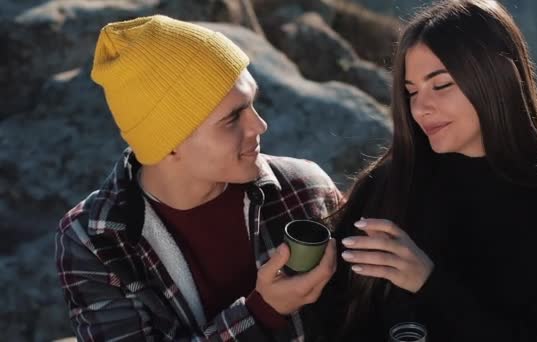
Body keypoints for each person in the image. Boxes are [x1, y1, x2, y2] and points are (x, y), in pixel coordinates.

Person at [316, 0, 537, 341]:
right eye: (411, 92)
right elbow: (333, 321)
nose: (421, 108)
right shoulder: (388, 187)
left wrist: (429, 283)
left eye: (440, 86)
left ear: (498, 78)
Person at [55, 15, 341, 341]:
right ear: (168, 144)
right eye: (233, 118)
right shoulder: (94, 239)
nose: (260, 126)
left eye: (252, 104)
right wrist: (263, 311)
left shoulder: (304, 187)